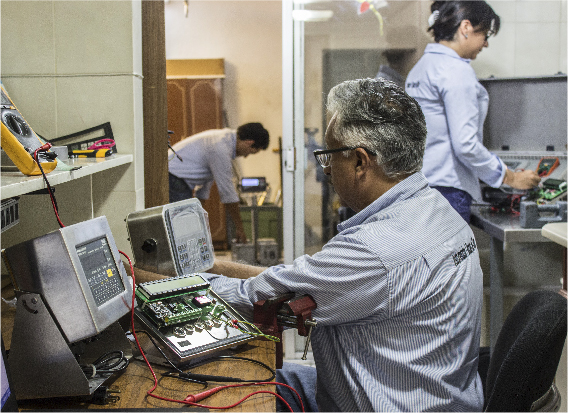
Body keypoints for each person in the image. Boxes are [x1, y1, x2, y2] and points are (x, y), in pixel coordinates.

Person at [139, 78, 485, 411]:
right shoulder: (440, 213)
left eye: (330, 156)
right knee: (272, 379)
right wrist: (213, 265)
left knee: (222, 389)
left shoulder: (377, 249)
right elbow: (301, 279)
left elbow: (255, 298)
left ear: (361, 161)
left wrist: (140, 282)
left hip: (388, 402)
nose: (328, 170)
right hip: (431, 393)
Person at [405, 1, 541, 223]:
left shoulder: (420, 69)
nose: (485, 44)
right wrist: (511, 177)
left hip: (418, 187)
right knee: (450, 258)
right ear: (466, 27)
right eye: (485, 35)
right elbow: (465, 144)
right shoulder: (456, 71)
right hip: (447, 191)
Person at [168, 123, 269, 244]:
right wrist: (240, 229)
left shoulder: (221, 140)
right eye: (250, 152)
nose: (246, 156)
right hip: (174, 178)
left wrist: (200, 220)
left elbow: (204, 189)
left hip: (175, 178)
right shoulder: (220, 147)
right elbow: (228, 193)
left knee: (188, 229)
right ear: (249, 142)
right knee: (184, 232)